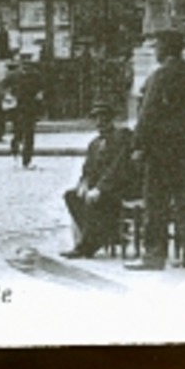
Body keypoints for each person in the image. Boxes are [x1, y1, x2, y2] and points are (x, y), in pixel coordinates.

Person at [125, 29, 185, 271]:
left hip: (160, 151)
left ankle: (154, 255)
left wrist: (138, 145)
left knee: (156, 203)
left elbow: (148, 114)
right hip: (184, 150)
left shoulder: (160, 76)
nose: (155, 50)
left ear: (166, 48)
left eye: (157, 46)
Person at [61, 97, 137, 259]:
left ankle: (86, 246)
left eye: (104, 118)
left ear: (111, 119)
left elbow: (118, 168)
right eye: (96, 118)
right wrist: (84, 183)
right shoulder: (94, 144)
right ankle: (103, 235)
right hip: (101, 189)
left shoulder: (122, 137)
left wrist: (99, 188)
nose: (100, 122)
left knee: (96, 200)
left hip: (122, 187)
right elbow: (88, 169)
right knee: (71, 195)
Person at [3, 52, 46, 169]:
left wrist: (39, 96)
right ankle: (15, 155)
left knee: (29, 134)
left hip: (30, 107)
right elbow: (3, 87)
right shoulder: (13, 75)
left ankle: (27, 160)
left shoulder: (36, 75)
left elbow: (41, 89)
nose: (26, 64)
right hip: (16, 107)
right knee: (17, 132)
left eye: (28, 60)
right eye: (24, 60)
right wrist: (8, 96)